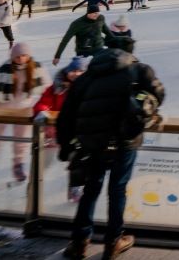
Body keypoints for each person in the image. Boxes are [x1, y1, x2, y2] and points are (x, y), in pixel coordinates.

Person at [57, 36, 164, 260]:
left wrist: (65, 146)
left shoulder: (87, 77)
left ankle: (79, 242)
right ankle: (113, 242)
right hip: (124, 141)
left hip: (92, 142)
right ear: (130, 52)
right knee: (117, 190)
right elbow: (159, 93)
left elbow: (66, 115)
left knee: (91, 189)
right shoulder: (140, 70)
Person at [0, 42, 51, 182]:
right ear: (12, 57)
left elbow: (48, 88)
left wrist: (47, 103)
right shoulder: (3, 69)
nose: (21, 59)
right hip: (1, 109)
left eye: (24, 55)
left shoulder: (38, 68)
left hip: (24, 110)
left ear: (29, 56)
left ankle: (18, 164)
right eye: (17, 56)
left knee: (21, 141)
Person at [33, 56, 88, 202]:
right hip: (54, 134)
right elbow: (42, 103)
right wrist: (42, 112)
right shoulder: (57, 87)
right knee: (44, 162)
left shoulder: (89, 88)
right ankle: (33, 185)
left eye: (80, 71)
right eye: (73, 70)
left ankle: (75, 188)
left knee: (77, 162)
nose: (76, 74)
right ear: (67, 71)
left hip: (77, 134)